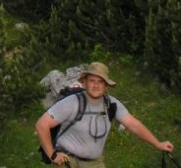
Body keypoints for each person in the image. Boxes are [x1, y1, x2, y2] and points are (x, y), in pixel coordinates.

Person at [35, 62, 173, 167]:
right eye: (92, 81)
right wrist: (53, 155)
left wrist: (158, 144)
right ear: (85, 83)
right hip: (68, 160)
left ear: (106, 85)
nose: (96, 85)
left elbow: (133, 124)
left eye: (100, 81)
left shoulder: (111, 104)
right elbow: (42, 125)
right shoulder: (72, 102)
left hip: (95, 163)